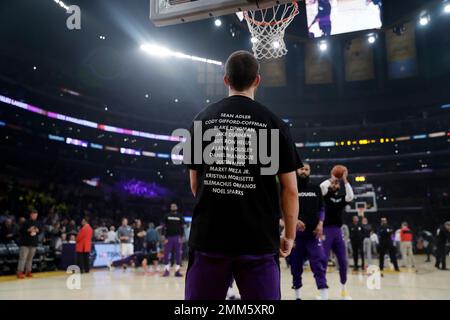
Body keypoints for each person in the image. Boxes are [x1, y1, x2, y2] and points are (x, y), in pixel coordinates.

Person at [185, 51, 300, 300]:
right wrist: (289, 235)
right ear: (257, 80)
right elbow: (290, 190)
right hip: (258, 241)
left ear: (225, 79)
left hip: (209, 238)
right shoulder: (275, 124)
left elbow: (195, 184)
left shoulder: (201, 120)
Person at [291, 163, 328, 300]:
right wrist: (293, 221)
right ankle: (298, 296)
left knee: (319, 264)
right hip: (296, 236)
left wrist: (321, 223)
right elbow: (284, 209)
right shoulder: (291, 187)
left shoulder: (315, 188)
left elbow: (322, 208)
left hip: (313, 235)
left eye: (306, 169)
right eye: (301, 169)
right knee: (295, 267)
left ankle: (324, 295)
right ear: (296, 170)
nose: (304, 172)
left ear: (309, 172)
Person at [320, 166, 354, 299]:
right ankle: (323, 290)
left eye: (336, 183)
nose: (335, 184)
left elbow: (350, 196)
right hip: (326, 231)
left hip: (337, 232)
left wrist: (344, 179)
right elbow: (322, 187)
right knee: (322, 261)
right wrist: (333, 177)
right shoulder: (324, 196)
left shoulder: (341, 199)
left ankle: (344, 289)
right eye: (333, 183)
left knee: (343, 261)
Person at [162, 203, 185, 277]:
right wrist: (163, 237)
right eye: (172, 206)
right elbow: (163, 227)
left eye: (174, 206)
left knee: (178, 254)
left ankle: (177, 271)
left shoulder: (180, 216)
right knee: (166, 254)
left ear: (177, 207)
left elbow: (182, 227)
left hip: (177, 237)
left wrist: (181, 237)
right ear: (170, 208)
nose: (173, 207)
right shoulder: (167, 216)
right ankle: (166, 271)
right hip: (168, 237)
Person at [17, 210, 40, 278]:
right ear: (31, 215)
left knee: (30, 259)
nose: (35, 216)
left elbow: (41, 230)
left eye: (36, 215)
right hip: (25, 243)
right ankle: (20, 272)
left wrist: (38, 230)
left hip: (33, 243)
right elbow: (21, 231)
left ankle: (28, 271)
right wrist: (28, 230)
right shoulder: (25, 222)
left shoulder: (37, 222)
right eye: (34, 215)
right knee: (23, 258)